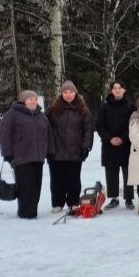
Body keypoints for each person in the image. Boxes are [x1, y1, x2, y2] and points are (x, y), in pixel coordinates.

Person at [0, 90, 54, 219]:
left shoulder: (41, 116)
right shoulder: (12, 115)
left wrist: (50, 151)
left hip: (38, 157)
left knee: (36, 186)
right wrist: (7, 153)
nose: (33, 101)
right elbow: (4, 135)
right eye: (30, 99)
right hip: (21, 157)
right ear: (23, 101)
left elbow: (49, 135)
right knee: (25, 187)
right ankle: (25, 212)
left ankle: (32, 210)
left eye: (35, 99)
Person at [46, 81, 94, 214]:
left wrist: (86, 148)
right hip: (56, 151)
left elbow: (88, 130)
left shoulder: (83, 110)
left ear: (75, 93)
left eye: (71, 92)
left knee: (74, 179)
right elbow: (46, 129)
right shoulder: (52, 109)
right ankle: (57, 203)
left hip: (75, 151)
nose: (68, 95)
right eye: (65, 92)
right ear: (61, 94)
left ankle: (73, 202)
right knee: (57, 180)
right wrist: (48, 148)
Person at [96, 81, 135, 209]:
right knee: (111, 172)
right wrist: (110, 138)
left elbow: (133, 126)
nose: (117, 90)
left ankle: (129, 199)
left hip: (126, 143)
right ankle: (113, 198)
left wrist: (123, 138)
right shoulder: (104, 107)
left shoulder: (131, 107)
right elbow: (100, 126)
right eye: (115, 88)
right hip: (109, 144)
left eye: (120, 88)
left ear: (124, 90)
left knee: (128, 172)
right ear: (111, 91)